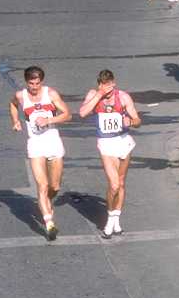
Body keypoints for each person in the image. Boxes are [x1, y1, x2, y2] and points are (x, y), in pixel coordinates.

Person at [9, 65, 72, 240]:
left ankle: (46, 202)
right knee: (42, 186)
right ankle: (49, 223)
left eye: (37, 83)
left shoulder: (50, 94)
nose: (34, 87)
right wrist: (15, 121)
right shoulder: (21, 96)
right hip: (35, 144)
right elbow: (13, 105)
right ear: (26, 81)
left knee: (55, 187)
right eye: (31, 83)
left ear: (41, 82)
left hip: (53, 142)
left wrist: (48, 119)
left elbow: (68, 115)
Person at [79, 69, 141, 239]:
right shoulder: (94, 94)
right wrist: (98, 95)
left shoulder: (123, 97)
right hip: (106, 143)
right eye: (101, 85)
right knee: (113, 184)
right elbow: (83, 113)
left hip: (123, 141)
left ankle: (116, 220)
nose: (105, 89)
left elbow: (137, 120)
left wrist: (131, 121)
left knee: (120, 183)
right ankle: (109, 219)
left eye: (107, 86)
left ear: (113, 83)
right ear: (99, 84)